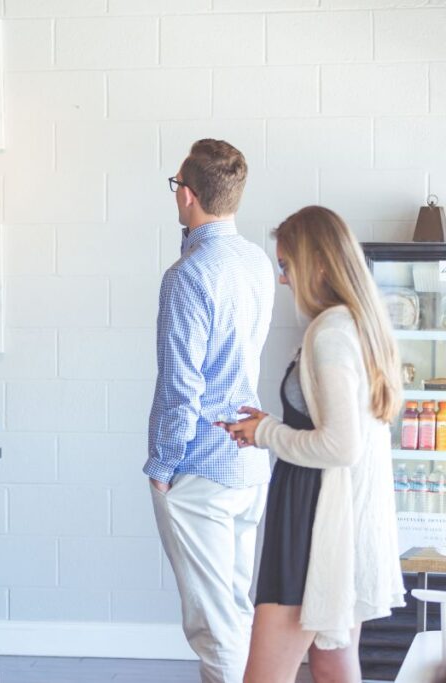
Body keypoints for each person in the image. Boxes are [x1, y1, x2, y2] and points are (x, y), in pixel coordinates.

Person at [220, 206, 405, 683]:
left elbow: (342, 446)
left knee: (265, 676)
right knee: (332, 664)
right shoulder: (357, 325)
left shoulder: (331, 333)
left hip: (312, 521)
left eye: (286, 265)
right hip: (335, 518)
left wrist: (265, 434)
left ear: (318, 264)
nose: (283, 279)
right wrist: (272, 425)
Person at [143, 138, 274, 683]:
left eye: (177, 187)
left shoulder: (187, 274)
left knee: (214, 628)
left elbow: (182, 386)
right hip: (248, 461)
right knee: (235, 612)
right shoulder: (256, 261)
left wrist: (162, 467)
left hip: (198, 467)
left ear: (189, 196)